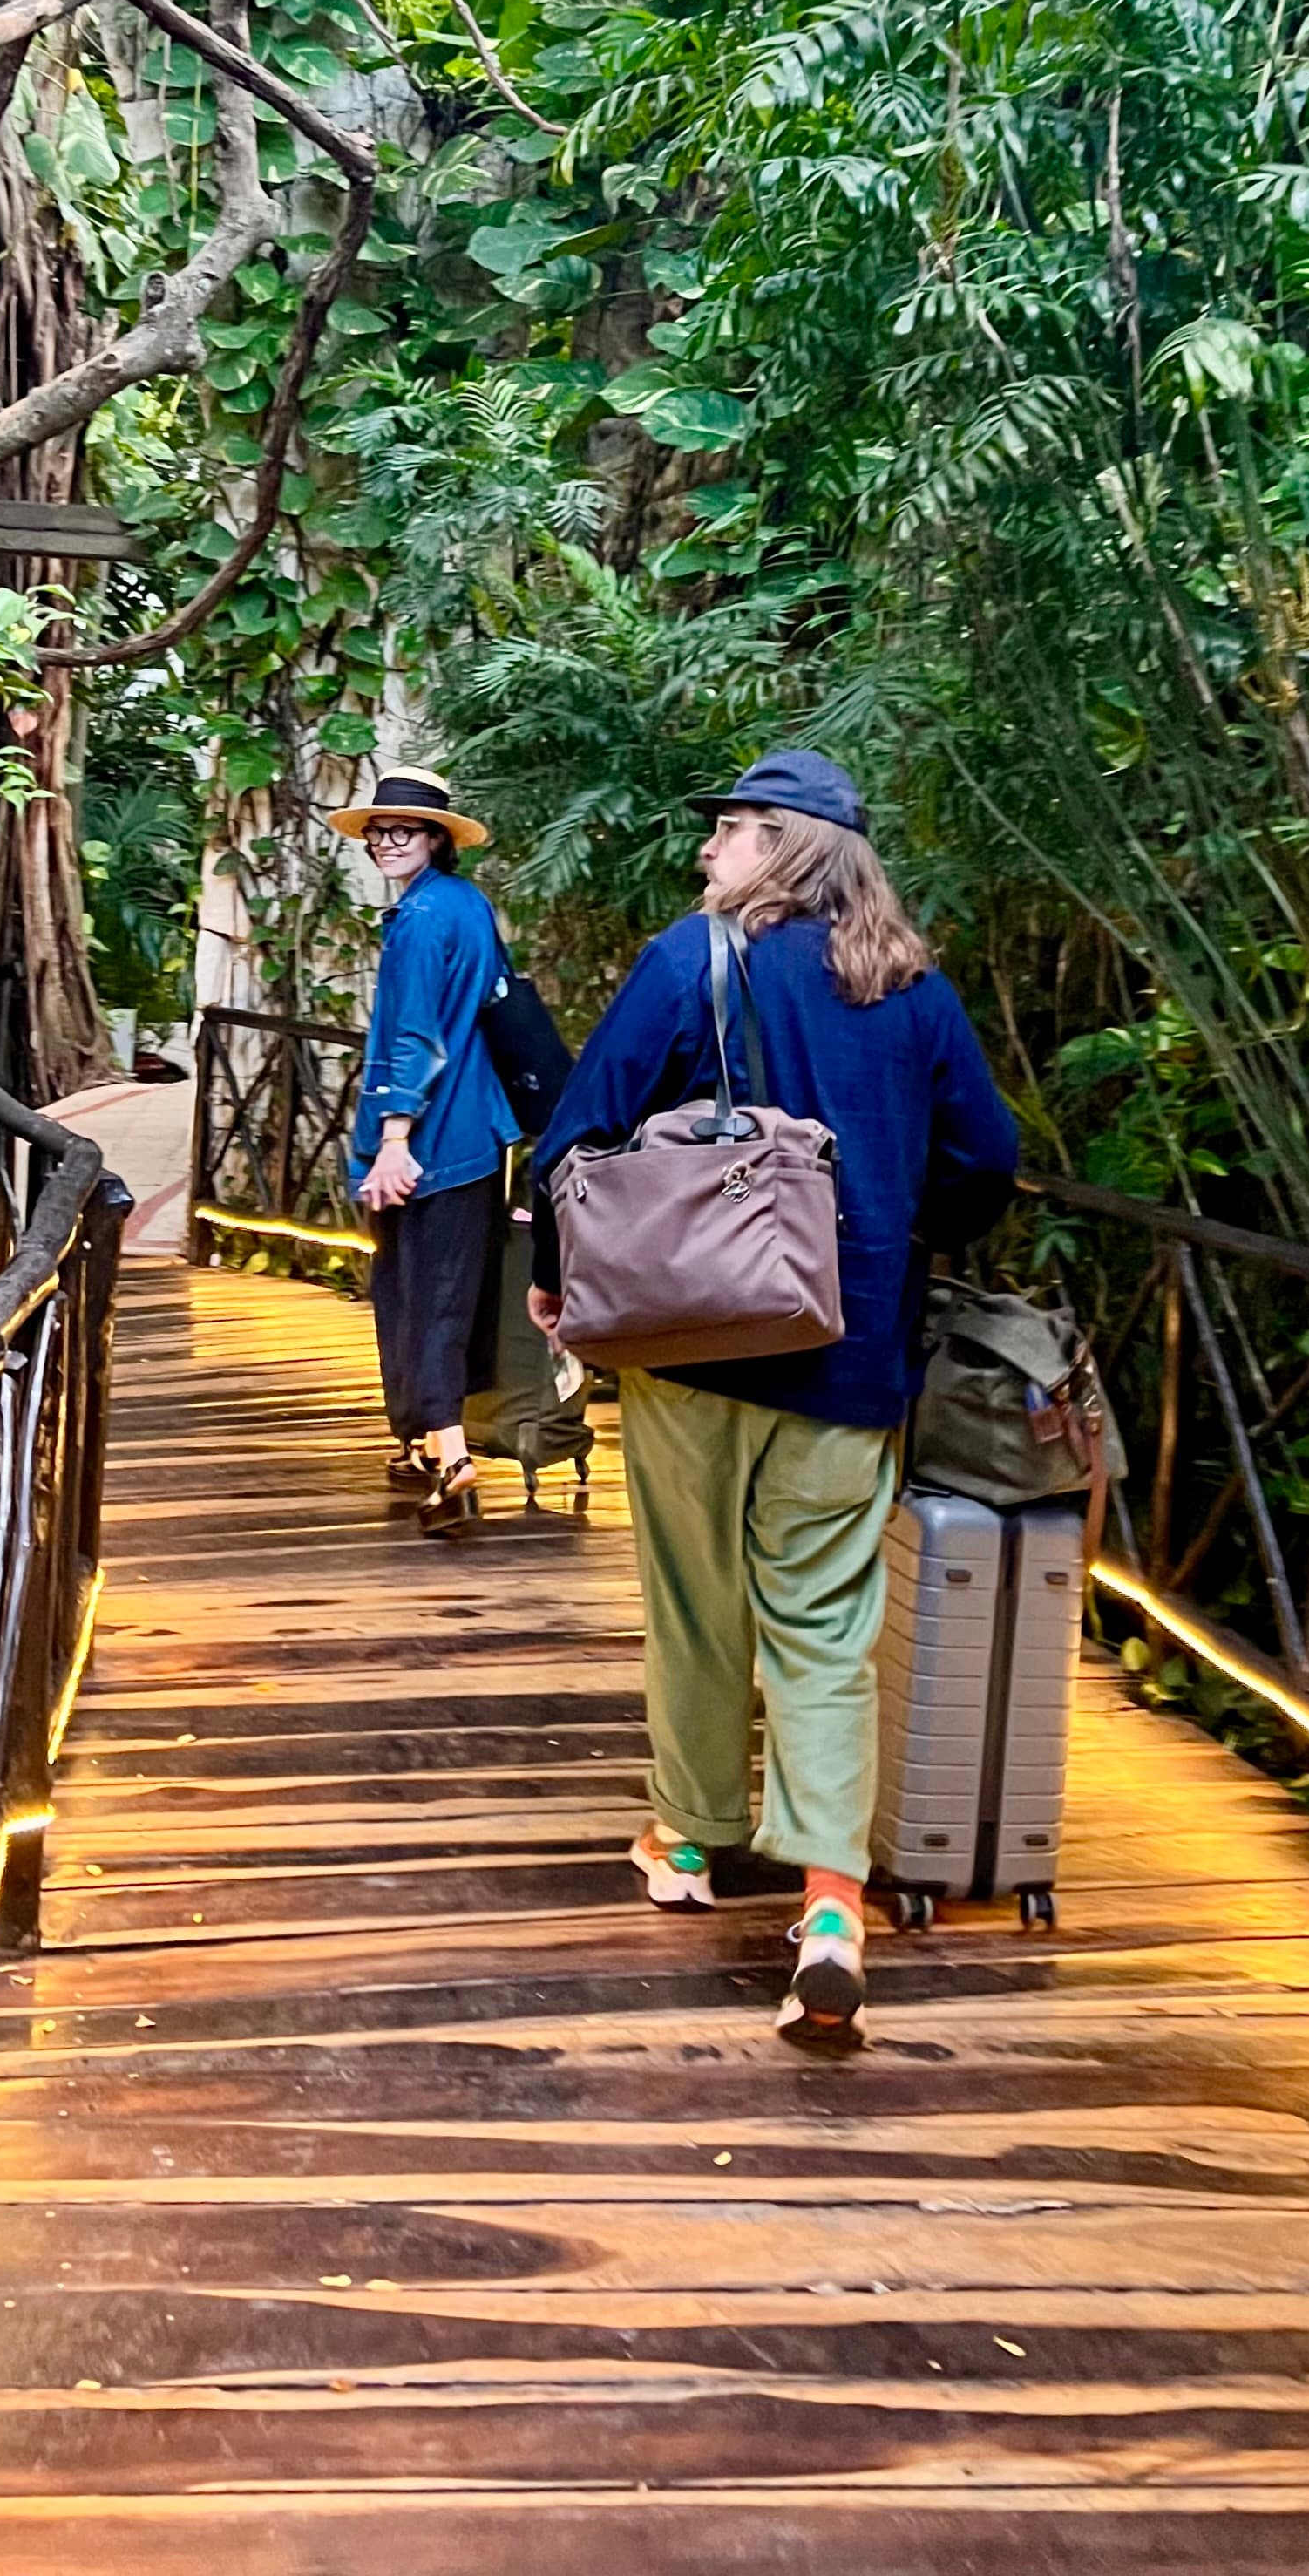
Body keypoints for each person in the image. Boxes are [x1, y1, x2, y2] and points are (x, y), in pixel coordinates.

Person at [528, 749, 1017, 2051]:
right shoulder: (913, 991)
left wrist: (552, 1280)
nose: (708, 855)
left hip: (691, 1345)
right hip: (850, 1357)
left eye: (729, 832)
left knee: (697, 1604)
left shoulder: (694, 960)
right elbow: (990, 1159)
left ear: (781, 846)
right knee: (825, 1628)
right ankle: (832, 1910)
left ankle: (689, 1841)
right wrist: (903, 1239)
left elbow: (575, 1138)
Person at [331, 766, 519, 1533]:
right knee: (430, 1292)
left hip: (431, 1139)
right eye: (377, 830)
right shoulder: (467, 907)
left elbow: (413, 1035)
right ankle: (419, 1442)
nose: (385, 840)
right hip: (477, 1128)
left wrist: (394, 1140)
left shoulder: (419, 921)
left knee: (423, 1301)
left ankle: (453, 1463)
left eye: (402, 829)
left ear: (438, 839)